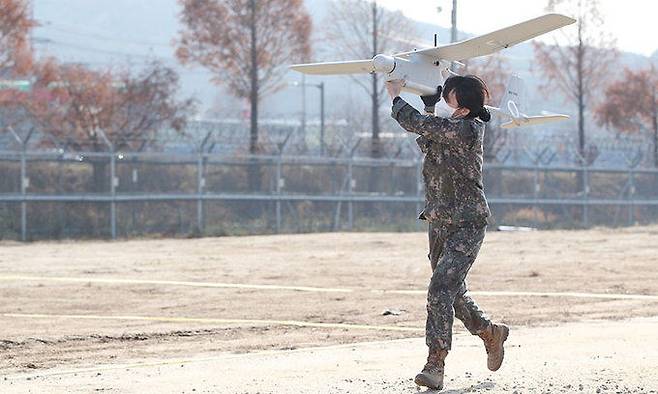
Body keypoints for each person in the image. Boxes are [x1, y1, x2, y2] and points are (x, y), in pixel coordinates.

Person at [385, 76, 509, 390]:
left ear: (462, 102)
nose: (446, 93)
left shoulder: (467, 130)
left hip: (467, 224)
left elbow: (424, 127)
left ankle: (435, 363)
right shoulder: (449, 127)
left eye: (449, 90)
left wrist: (396, 98)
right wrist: (428, 104)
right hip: (440, 221)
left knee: (439, 290)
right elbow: (427, 136)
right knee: (453, 294)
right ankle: (489, 333)